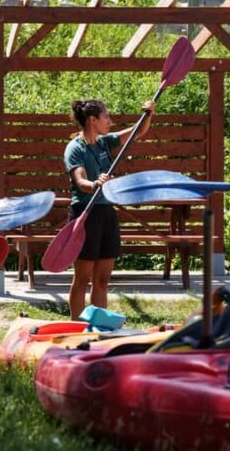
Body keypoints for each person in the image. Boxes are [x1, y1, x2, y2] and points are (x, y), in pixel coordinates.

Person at [63, 99, 156, 320]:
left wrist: (148, 113)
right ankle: (77, 326)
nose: (110, 121)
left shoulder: (104, 142)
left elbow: (137, 131)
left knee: (102, 280)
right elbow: (80, 181)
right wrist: (95, 183)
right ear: (93, 120)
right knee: (82, 278)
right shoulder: (75, 148)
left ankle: (97, 326)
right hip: (85, 213)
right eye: (106, 117)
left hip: (106, 213)